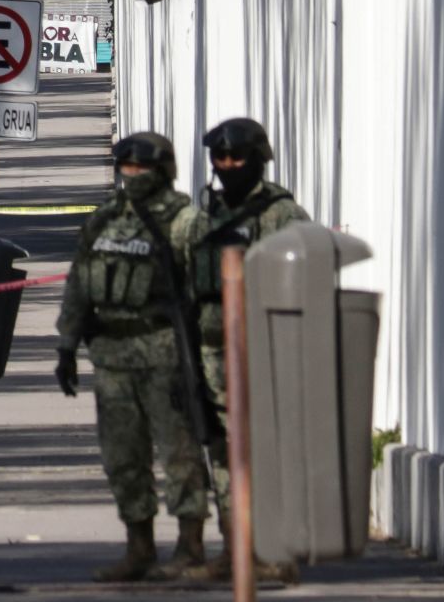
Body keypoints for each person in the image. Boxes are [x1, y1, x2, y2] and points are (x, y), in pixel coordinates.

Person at [55, 132, 210, 582]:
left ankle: (190, 546)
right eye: (127, 167)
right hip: (112, 358)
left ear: (163, 170)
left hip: (166, 356)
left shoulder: (185, 223)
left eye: (142, 167)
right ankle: (138, 546)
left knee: (179, 453)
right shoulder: (103, 222)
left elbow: (208, 295)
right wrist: (67, 346)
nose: (133, 175)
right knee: (122, 455)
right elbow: (78, 286)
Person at [182, 117, 308, 582]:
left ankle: (276, 549)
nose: (228, 165)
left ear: (258, 160)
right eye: (221, 158)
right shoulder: (205, 215)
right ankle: (237, 549)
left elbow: (306, 276)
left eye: (237, 157)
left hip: (267, 348)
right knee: (221, 455)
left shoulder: (281, 214)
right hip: (212, 353)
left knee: (268, 452)